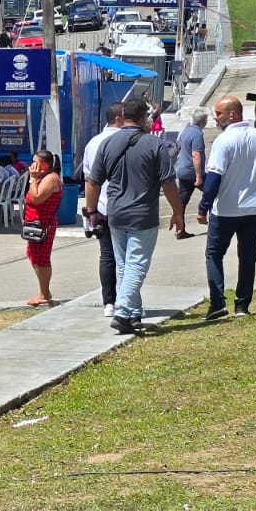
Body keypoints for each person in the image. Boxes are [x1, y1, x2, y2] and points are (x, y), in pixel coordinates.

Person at [85, 98, 184, 335]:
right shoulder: (154, 143)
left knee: (124, 265)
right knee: (137, 264)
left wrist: (92, 211)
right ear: (142, 117)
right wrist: (177, 211)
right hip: (143, 214)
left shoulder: (107, 143)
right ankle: (122, 312)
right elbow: (168, 182)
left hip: (115, 213)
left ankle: (132, 313)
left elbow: (92, 182)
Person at [198, 96, 256, 319]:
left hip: (226, 209)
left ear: (232, 114)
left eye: (219, 114)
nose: (216, 118)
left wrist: (203, 206)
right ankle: (242, 305)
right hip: (254, 208)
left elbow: (214, 177)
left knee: (214, 254)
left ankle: (218, 302)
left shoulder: (223, 140)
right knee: (247, 258)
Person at [78, 101, 125, 315]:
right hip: (124, 205)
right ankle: (126, 299)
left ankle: (109, 302)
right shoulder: (126, 140)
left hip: (101, 207)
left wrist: (90, 211)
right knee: (126, 255)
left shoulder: (93, 143)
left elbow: (88, 180)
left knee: (107, 255)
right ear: (118, 118)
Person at [23, 150, 62, 306]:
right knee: (34, 256)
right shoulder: (43, 177)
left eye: (35, 161)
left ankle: (45, 293)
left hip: (44, 224)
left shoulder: (51, 179)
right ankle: (43, 292)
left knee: (41, 259)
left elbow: (36, 198)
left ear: (44, 164)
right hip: (35, 224)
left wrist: (33, 179)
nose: (32, 164)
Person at [174, 108, 208, 214]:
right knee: (212, 192)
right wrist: (198, 176)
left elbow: (178, 147)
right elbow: (196, 154)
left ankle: (178, 223)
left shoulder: (186, 131)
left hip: (183, 170)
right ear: (203, 121)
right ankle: (205, 214)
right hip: (192, 172)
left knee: (182, 201)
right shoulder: (197, 134)